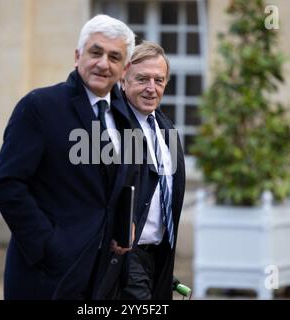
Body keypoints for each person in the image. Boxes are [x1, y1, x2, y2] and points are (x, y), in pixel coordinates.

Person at [0, 14, 138, 300]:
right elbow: (6, 185)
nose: (103, 63)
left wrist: (125, 225)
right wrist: (50, 246)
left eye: (114, 57)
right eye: (95, 52)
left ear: (125, 69)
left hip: (102, 279)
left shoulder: (127, 118)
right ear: (77, 55)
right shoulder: (39, 107)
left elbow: (127, 180)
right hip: (45, 278)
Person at [120, 41, 186, 300]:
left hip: (158, 256)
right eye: (142, 79)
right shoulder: (111, 127)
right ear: (123, 80)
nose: (151, 88)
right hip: (124, 257)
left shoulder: (166, 128)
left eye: (159, 80)